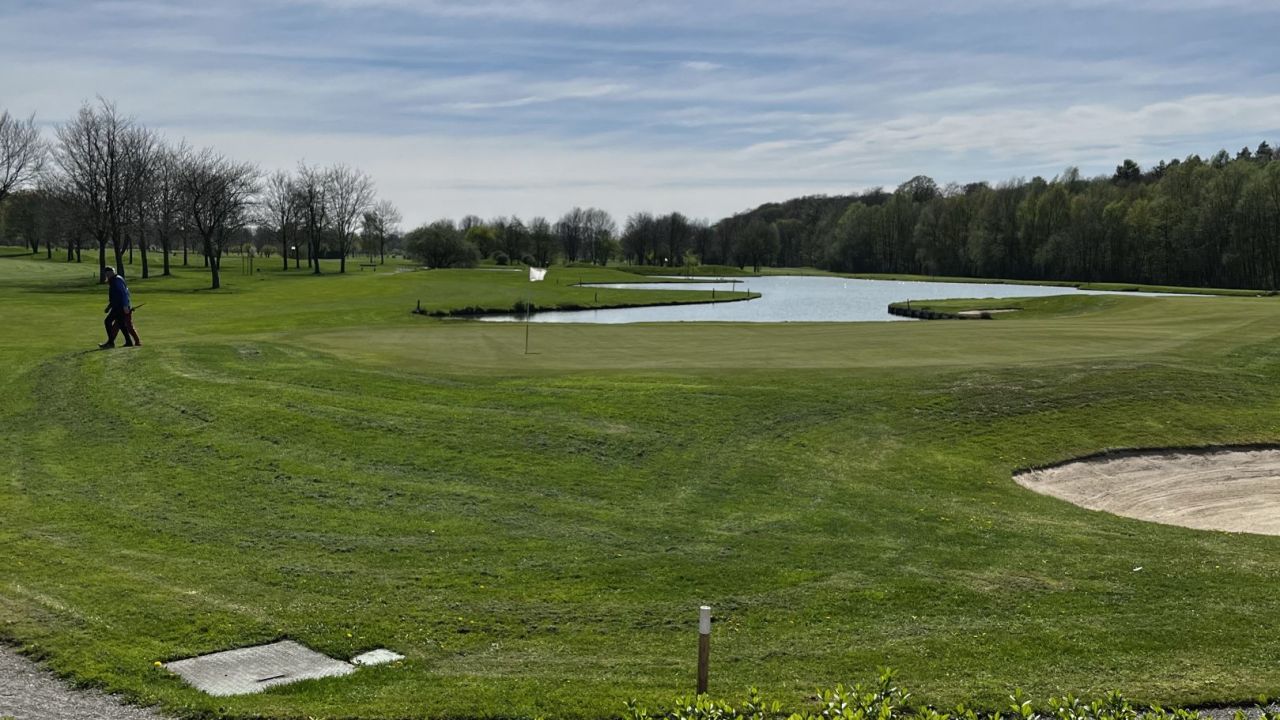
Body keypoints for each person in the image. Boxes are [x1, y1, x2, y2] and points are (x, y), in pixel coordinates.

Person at [99, 266, 140, 349]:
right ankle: (128, 342)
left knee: (108, 321)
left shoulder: (116, 280)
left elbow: (124, 294)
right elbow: (115, 296)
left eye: (107, 274)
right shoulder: (115, 279)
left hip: (120, 306)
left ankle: (111, 343)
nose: (106, 276)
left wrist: (125, 306)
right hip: (118, 306)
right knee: (121, 324)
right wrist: (109, 306)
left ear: (109, 273)